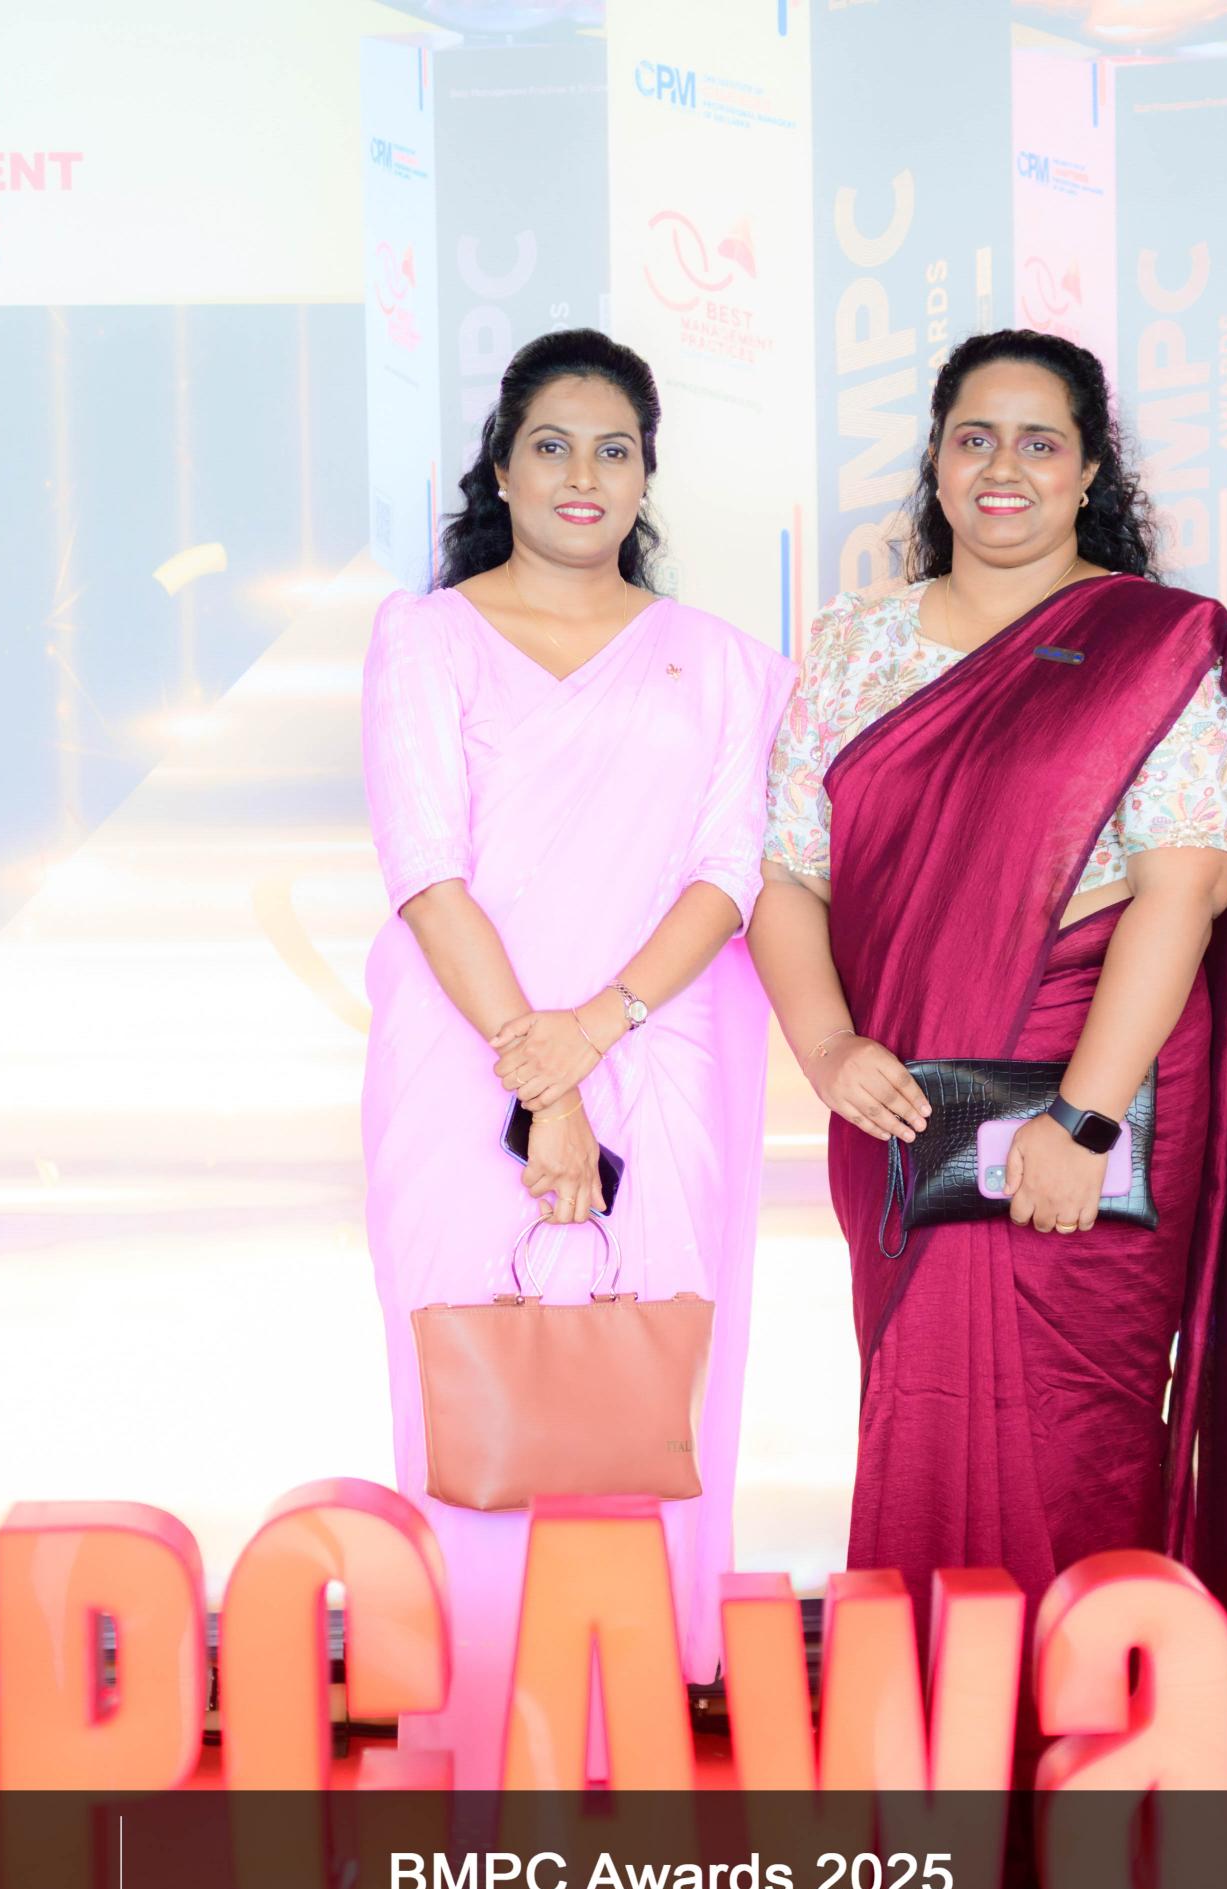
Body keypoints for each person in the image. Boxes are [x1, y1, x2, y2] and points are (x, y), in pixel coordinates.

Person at [750, 328, 1227, 1631]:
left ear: (1089, 468)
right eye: (974, 438)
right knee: (919, 1404)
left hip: (1094, 1084)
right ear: (937, 462)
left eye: (1039, 441)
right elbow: (784, 874)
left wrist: (1079, 1121)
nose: (1004, 467)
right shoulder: (853, 643)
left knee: (1076, 1425)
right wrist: (828, 1051)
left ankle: (1085, 1724)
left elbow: (1183, 889)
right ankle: (938, 1720)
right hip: (901, 1102)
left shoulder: (1155, 643)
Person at [359, 329, 791, 1783]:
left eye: (615, 448)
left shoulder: (720, 665)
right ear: (500, 467)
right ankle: (487, 1744)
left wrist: (591, 1041)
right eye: (551, 444)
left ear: (648, 475)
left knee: (646, 1380)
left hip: (659, 1062)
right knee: (473, 1372)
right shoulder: (425, 639)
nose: (582, 474)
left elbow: (731, 871)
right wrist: (538, 1082)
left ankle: (629, 1736)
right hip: (460, 1063)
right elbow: (426, 871)